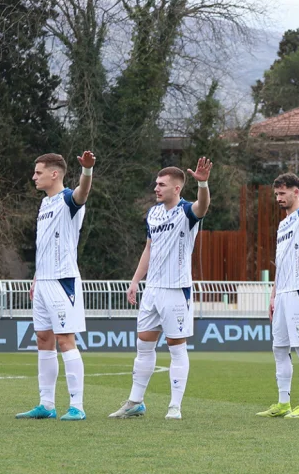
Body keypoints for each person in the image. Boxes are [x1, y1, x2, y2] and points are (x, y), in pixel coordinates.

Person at [110, 158, 213, 420]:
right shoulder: (153, 213)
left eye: (162, 184)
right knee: (143, 345)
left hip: (176, 289)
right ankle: (135, 402)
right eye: (156, 184)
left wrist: (203, 184)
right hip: (152, 290)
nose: (156, 188)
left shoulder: (187, 211)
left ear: (177, 188)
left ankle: (174, 406)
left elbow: (203, 206)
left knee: (176, 346)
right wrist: (135, 281)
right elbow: (149, 248)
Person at [15, 152, 95, 421]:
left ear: (54, 174)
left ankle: (77, 406)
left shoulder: (69, 199)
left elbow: (83, 192)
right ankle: (46, 404)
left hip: (63, 281)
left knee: (65, 340)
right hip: (44, 282)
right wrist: (37, 277)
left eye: (38, 172)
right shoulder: (44, 203)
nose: (34, 177)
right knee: (43, 339)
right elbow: (46, 244)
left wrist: (87, 171)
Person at [256, 169, 299, 420]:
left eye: (282, 193)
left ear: (296, 192)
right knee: (279, 349)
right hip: (283, 294)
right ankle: (283, 403)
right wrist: (273, 296)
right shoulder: (282, 224)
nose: (278, 198)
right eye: (276, 194)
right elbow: (281, 262)